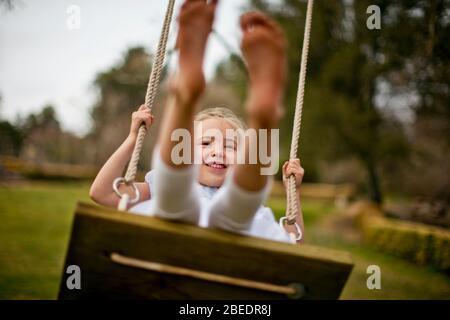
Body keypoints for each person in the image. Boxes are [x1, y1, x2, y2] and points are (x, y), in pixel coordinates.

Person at [89, 0, 305, 243]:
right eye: (205, 144)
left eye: (231, 147)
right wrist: (132, 138)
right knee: (208, 206)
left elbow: (102, 194)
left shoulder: (254, 211)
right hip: (227, 229)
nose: (218, 152)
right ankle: (258, 121)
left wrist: (292, 192)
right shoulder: (155, 190)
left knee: (182, 203)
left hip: (188, 236)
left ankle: (188, 97)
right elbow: (101, 192)